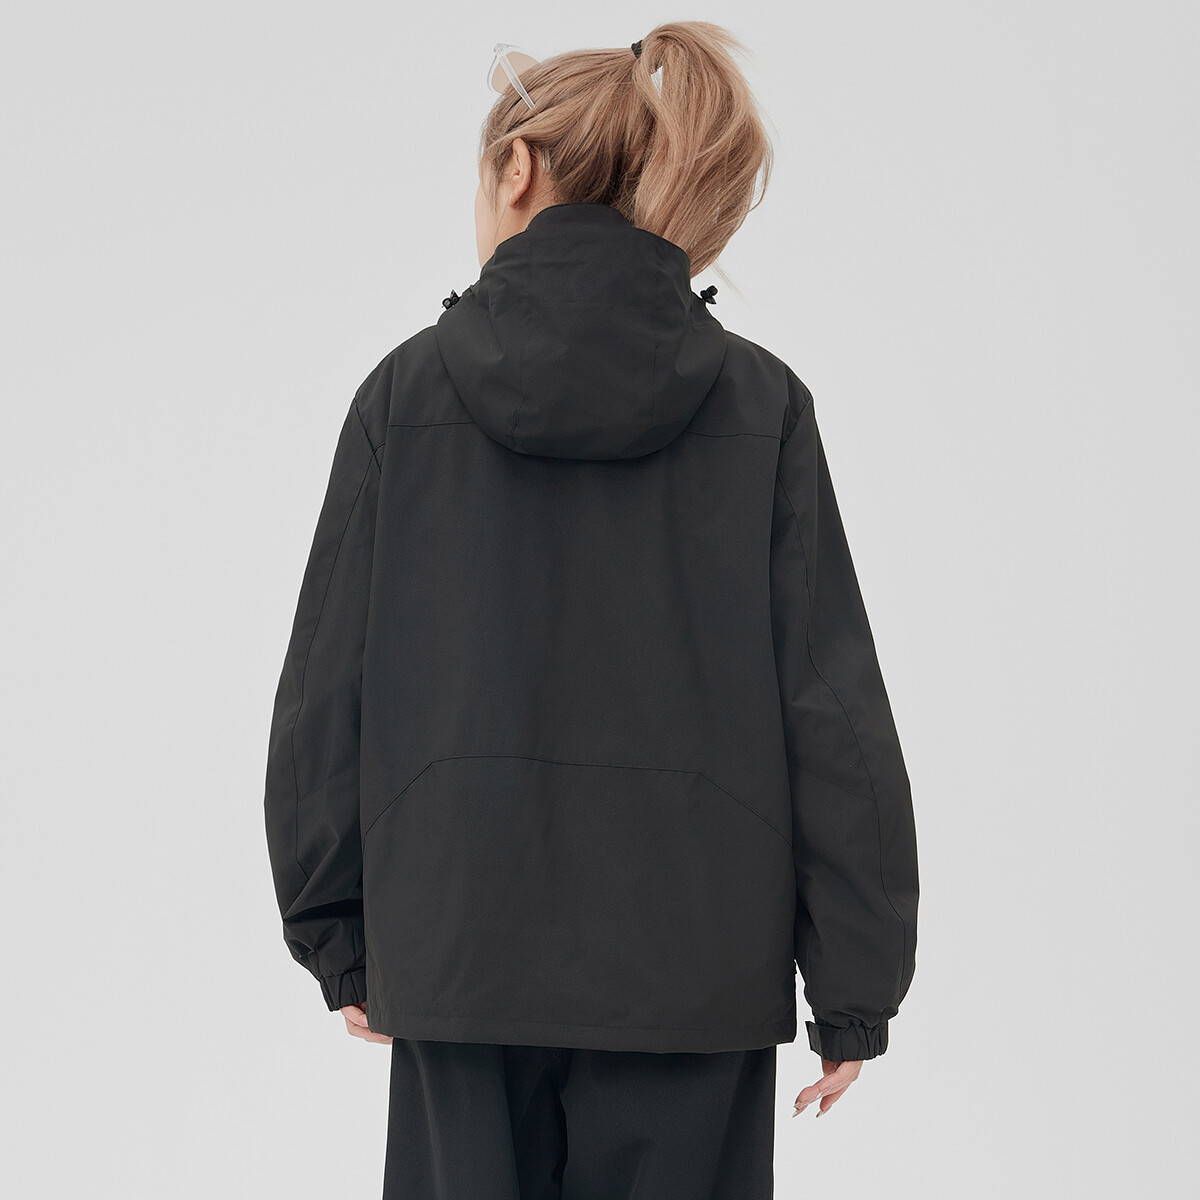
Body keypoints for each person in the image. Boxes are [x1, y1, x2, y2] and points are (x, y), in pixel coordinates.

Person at [263, 21, 919, 1200]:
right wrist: (855, 984)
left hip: (461, 954)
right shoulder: (761, 405)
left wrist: (337, 932)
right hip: (694, 972)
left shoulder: (404, 397)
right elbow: (831, 710)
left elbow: (326, 689)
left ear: (515, 168)